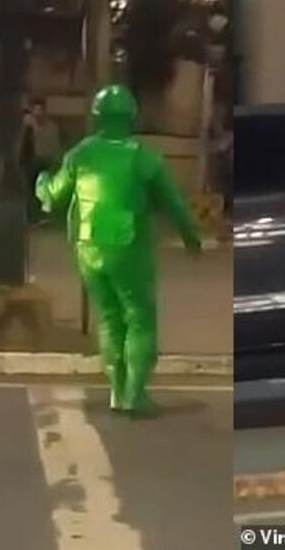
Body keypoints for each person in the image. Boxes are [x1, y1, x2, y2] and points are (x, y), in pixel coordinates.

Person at [36, 85, 201, 416]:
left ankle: (116, 390)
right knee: (139, 317)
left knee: (109, 319)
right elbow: (174, 204)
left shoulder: (81, 153)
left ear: (97, 117)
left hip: (87, 247)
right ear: (131, 117)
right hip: (129, 247)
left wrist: (41, 181)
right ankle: (135, 394)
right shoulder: (142, 157)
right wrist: (191, 238)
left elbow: (52, 196)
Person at [22, 98, 62, 223]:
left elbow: (55, 146)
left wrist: (56, 160)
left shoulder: (51, 128)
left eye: (41, 110)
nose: (38, 113)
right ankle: (34, 215)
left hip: (45, 161)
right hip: (32, 161)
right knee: (31, 189)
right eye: (36, 110)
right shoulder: (29, 125)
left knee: (44, 190)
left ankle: (42, 215)